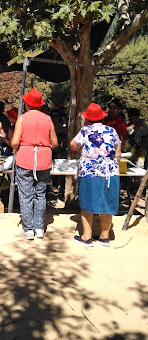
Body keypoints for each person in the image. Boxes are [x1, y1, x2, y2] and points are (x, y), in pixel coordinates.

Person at [70, 103, 121, 247]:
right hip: (110, 172)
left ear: (87, 119)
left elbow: (73, 145)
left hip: (89, 171)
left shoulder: (85, 131)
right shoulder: (112, 131)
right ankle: (104, 236)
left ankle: (87, 236)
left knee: (87, 202)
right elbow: (118, 152)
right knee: (107, 203)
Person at [12, 89, 58, 240]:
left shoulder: (22, 119)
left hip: (25, 158)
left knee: (25, 196)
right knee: (40, 194)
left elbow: (14, 142)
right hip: (44, 160)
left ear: (26, 104)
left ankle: (28, 229)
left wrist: (18, 147)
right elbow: (55, 143)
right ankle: (39, 228)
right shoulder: (48, 119)